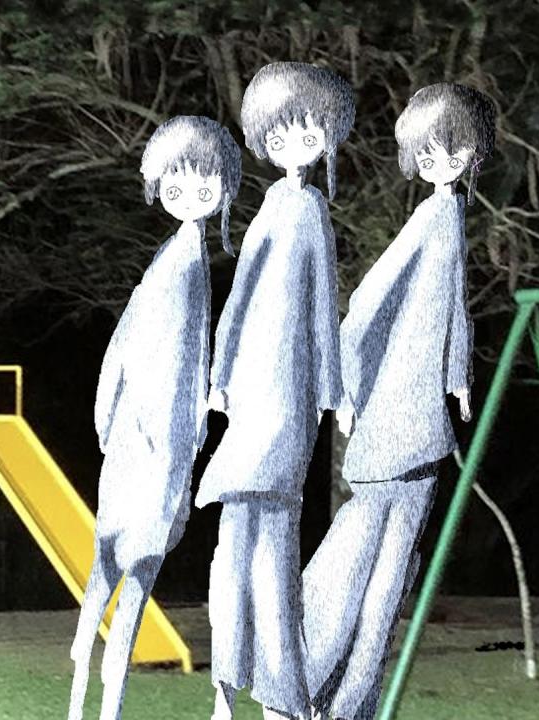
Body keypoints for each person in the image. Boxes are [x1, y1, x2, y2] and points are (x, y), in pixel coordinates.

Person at [301, 82, 496, 720]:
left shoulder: (449, 214)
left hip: (414, 424)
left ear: (472, 153)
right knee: (367, 576)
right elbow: (363, 305)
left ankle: (344, 701)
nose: (443, 163)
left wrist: (457, 374)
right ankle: (319, 687)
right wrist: (348, 391)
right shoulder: (431, 217)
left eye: (454, 151)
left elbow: (451, 306)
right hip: (397, 426)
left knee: (386, 582)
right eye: (430, 153)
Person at [68, 115, 240, 720]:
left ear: (222, 191)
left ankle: (100, 703)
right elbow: (135, 342)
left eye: (204, 186)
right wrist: (118, 409)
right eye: (176, 184)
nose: (189, 196)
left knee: (125, 581)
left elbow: (186, 360)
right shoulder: (174, 261)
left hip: (154, 447)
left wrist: (182, 430)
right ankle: (89, 699)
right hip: (140, 445)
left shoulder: (188, 265)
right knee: (114, 579)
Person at [198, 61, 353, 720]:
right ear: (265, 139)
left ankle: (274, 693)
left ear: (326, 140)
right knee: (244, 546)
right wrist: (220, 377)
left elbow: (322, 306)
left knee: (266, 548)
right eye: (283, 135)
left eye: (308, 135)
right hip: (258, 392)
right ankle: (235, 689)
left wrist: (334, 390)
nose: (295, 147)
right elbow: (239, 298)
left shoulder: (311, 210)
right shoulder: (271, 208)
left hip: (288, 396)